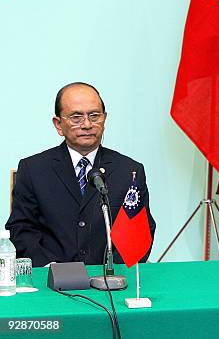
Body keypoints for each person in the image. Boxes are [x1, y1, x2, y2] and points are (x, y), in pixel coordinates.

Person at [6, 82, 156, 267]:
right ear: (58, 124)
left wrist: (113, 271)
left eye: (94, 116)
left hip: (111, 279)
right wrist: (47, 268)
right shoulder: (33, 169)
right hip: (50, 281)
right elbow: (21, 229)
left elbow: (140, 230)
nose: (87, 124)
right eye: (76, 117)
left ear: (104, 119)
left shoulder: (130, 171)